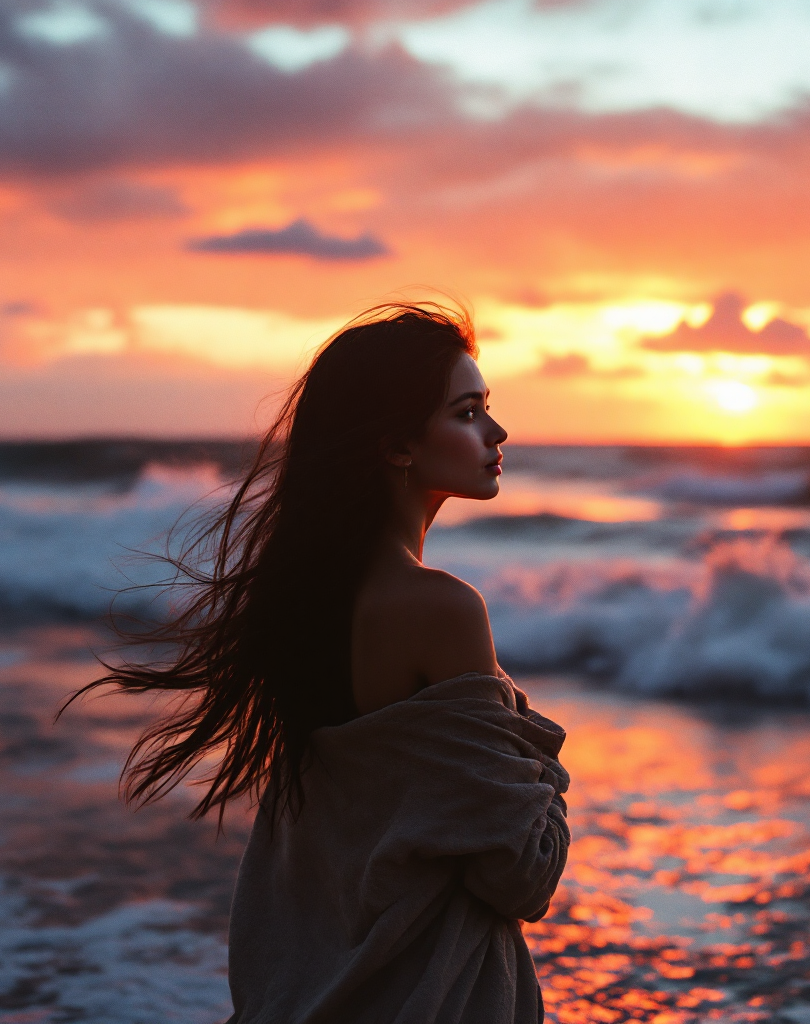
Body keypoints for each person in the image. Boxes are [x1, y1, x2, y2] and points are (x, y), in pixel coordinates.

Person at [73, 303, 571, 1023]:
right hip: (427, 998)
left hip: (319, 987)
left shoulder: (306, 601)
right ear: (398, 445)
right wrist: (542, 762)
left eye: (487, 408)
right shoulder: (440, 607)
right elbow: (523, 874)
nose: (496, 432)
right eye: (467, 413)